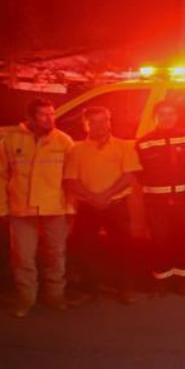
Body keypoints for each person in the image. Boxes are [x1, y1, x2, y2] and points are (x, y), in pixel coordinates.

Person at [0, 100, 74, 317]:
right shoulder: (11, 140)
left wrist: (70, 209)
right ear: (30, 117)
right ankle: (26, 298)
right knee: (22, 256)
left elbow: (71, 178)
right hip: (22, 208)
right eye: (43, 115)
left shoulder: (63, 141)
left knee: (56, 255)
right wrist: (1, 209)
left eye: (52, 114)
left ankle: (55, 295)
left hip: (54, 208)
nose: (50, 119)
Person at [63, 106, 141, 304]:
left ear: (110, 121)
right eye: (94, 122)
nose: (100, 125)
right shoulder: (76, 150)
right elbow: (70, 181)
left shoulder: (124, 147)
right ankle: (90, 289)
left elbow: (129, 175)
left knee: (124, 248)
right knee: (83, 248)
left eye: (104, 120)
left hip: (116, 205)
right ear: (85, 125)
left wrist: (105, 196)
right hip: (89, 207)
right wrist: (92, 198)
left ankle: (126, 289)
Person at [135, 101, 185, 297]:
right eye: (162, 114)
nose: (167, 117)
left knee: (184, 239)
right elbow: (138, 171)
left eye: (171, 113)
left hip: (184, 197)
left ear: (177, 116)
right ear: (154, 117)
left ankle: (183, 282)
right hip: (156, 199)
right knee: (160, 241)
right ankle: (161, 283)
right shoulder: (144, 142)